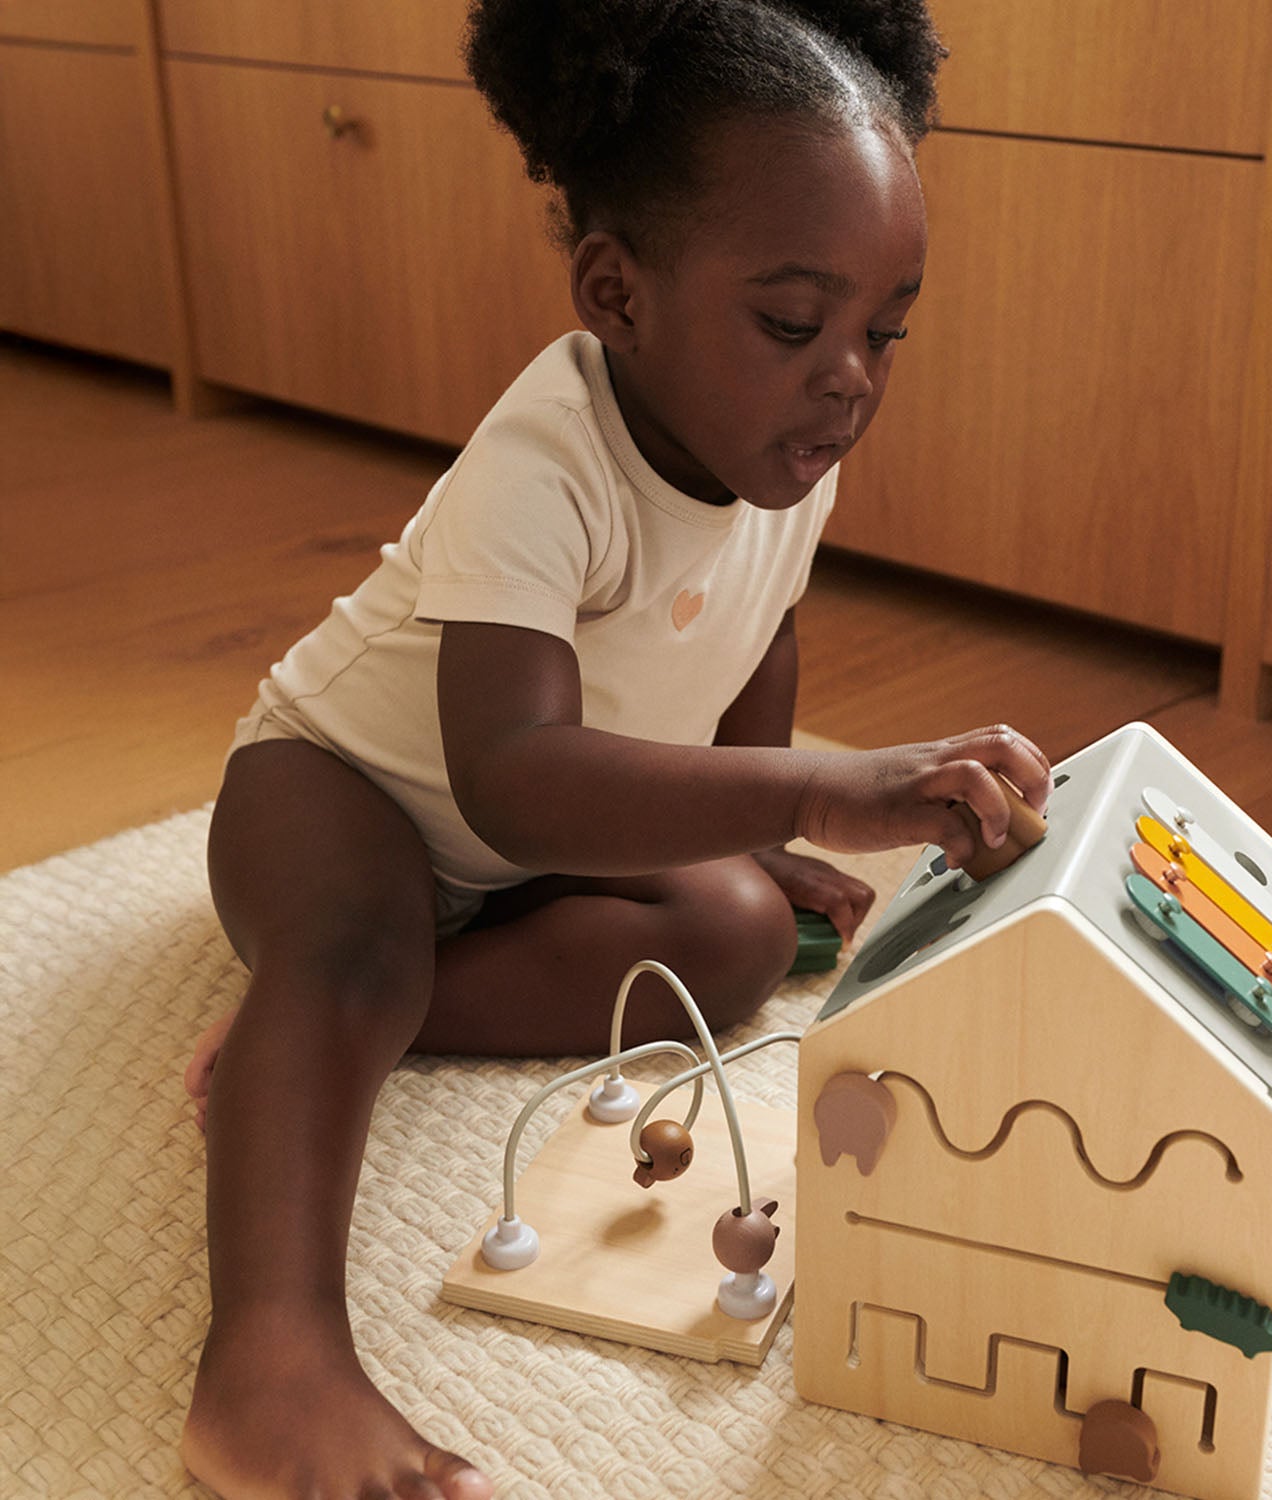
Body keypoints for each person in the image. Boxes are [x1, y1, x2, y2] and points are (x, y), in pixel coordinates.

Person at [179, 2, 1052, 1495]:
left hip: (531, 853)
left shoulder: (783, 453)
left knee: (739, 933)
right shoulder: (542, 458)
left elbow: (760, 628)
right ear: (616, 292)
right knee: (354, 939)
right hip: (340, 792)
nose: (850, 376)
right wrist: (825, 787)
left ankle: (315, 1038)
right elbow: (513, 774)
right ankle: (268, 1366)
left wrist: (762, 830)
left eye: (884, 331)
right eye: (796, 325)